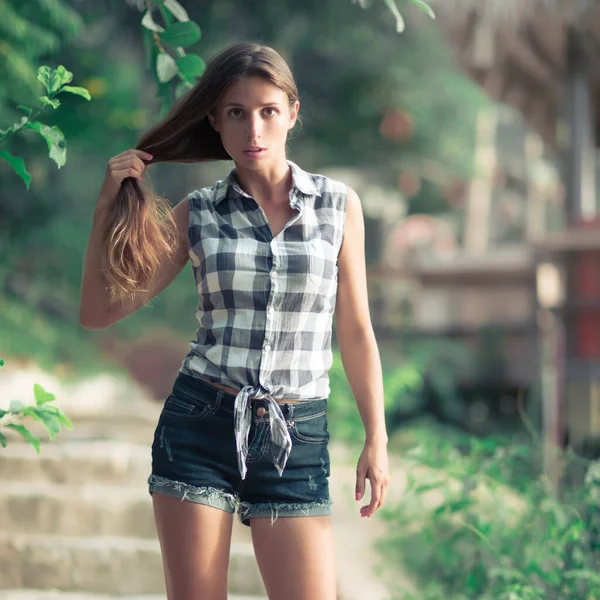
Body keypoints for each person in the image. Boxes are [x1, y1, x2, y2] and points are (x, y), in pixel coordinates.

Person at [79, 41, 389, 600]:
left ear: (292, 113)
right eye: (237, 113)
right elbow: (98, 312)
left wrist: (377, 437)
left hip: (298, 435)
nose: (254, 130)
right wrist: (105, 209)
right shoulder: (197, 213)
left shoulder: (338, 207)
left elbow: (356, 330)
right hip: (200, 424)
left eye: (269, 110)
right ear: (215, 123)